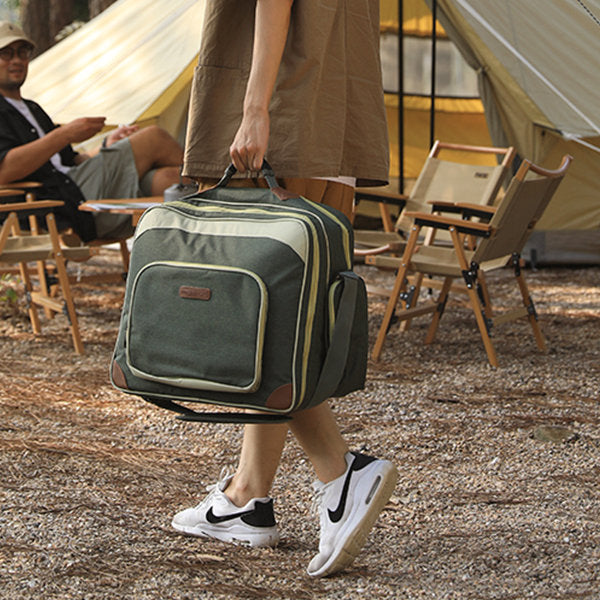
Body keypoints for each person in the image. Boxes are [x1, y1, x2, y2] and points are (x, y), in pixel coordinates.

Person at [170, 0, 398, 578]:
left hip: (284, 119)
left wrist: (253, 109)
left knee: (263, 322)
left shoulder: (267, 113)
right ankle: (247, 498)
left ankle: (339, 472)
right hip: (329, 124)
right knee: (287, 314)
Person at [0, 21, 192, 243]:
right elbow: (4, 171)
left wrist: (106, 146)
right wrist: (64, 134)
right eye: (6, 53)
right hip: (61, 201)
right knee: (153, 137)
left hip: (78, 184)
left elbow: (71, 160)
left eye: (22, 52)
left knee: (167, 181)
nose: (17, 60)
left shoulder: (33, 108)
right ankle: (226, 196)